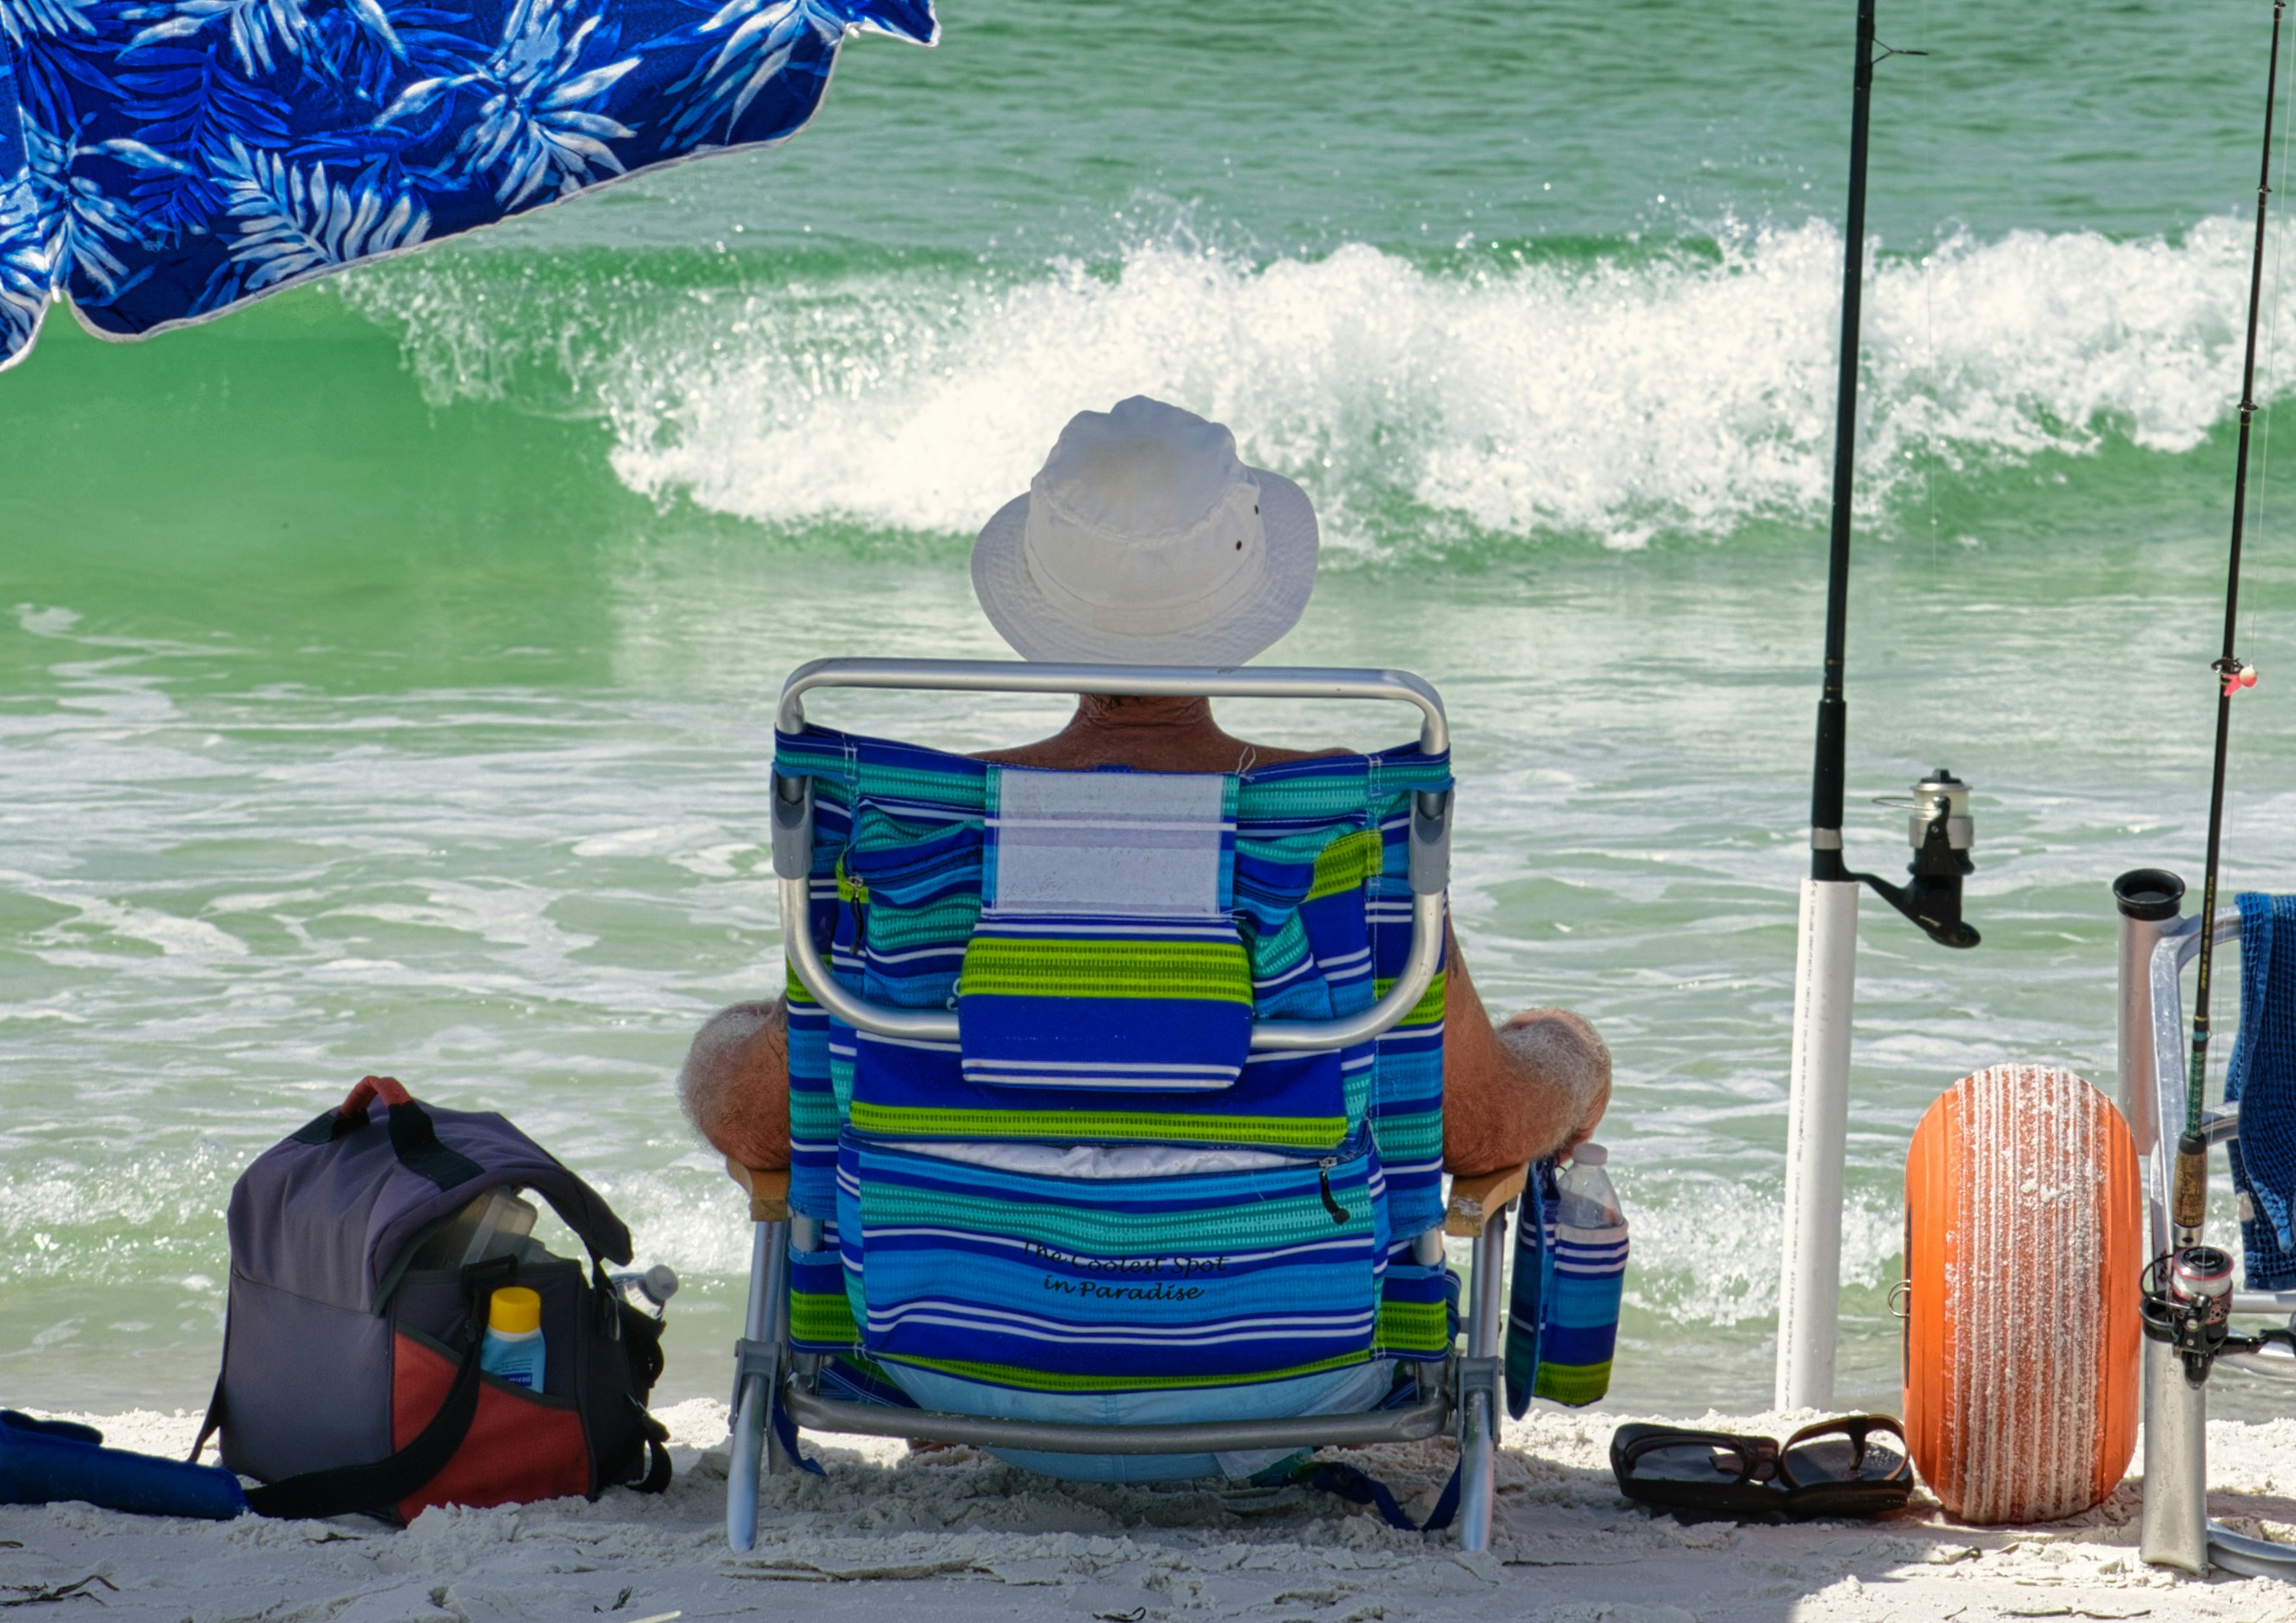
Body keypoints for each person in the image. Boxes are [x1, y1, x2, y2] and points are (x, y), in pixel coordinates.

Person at [682, 393, 1611, 1181]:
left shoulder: (915, 831)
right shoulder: (1332, 829)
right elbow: (1478, 1124)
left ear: (1042, 596)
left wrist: (733, 1036)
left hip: (932, 1359)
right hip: (1293, 1370)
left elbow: (760, 1120)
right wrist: (1572, 1056)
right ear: (1246, 593)